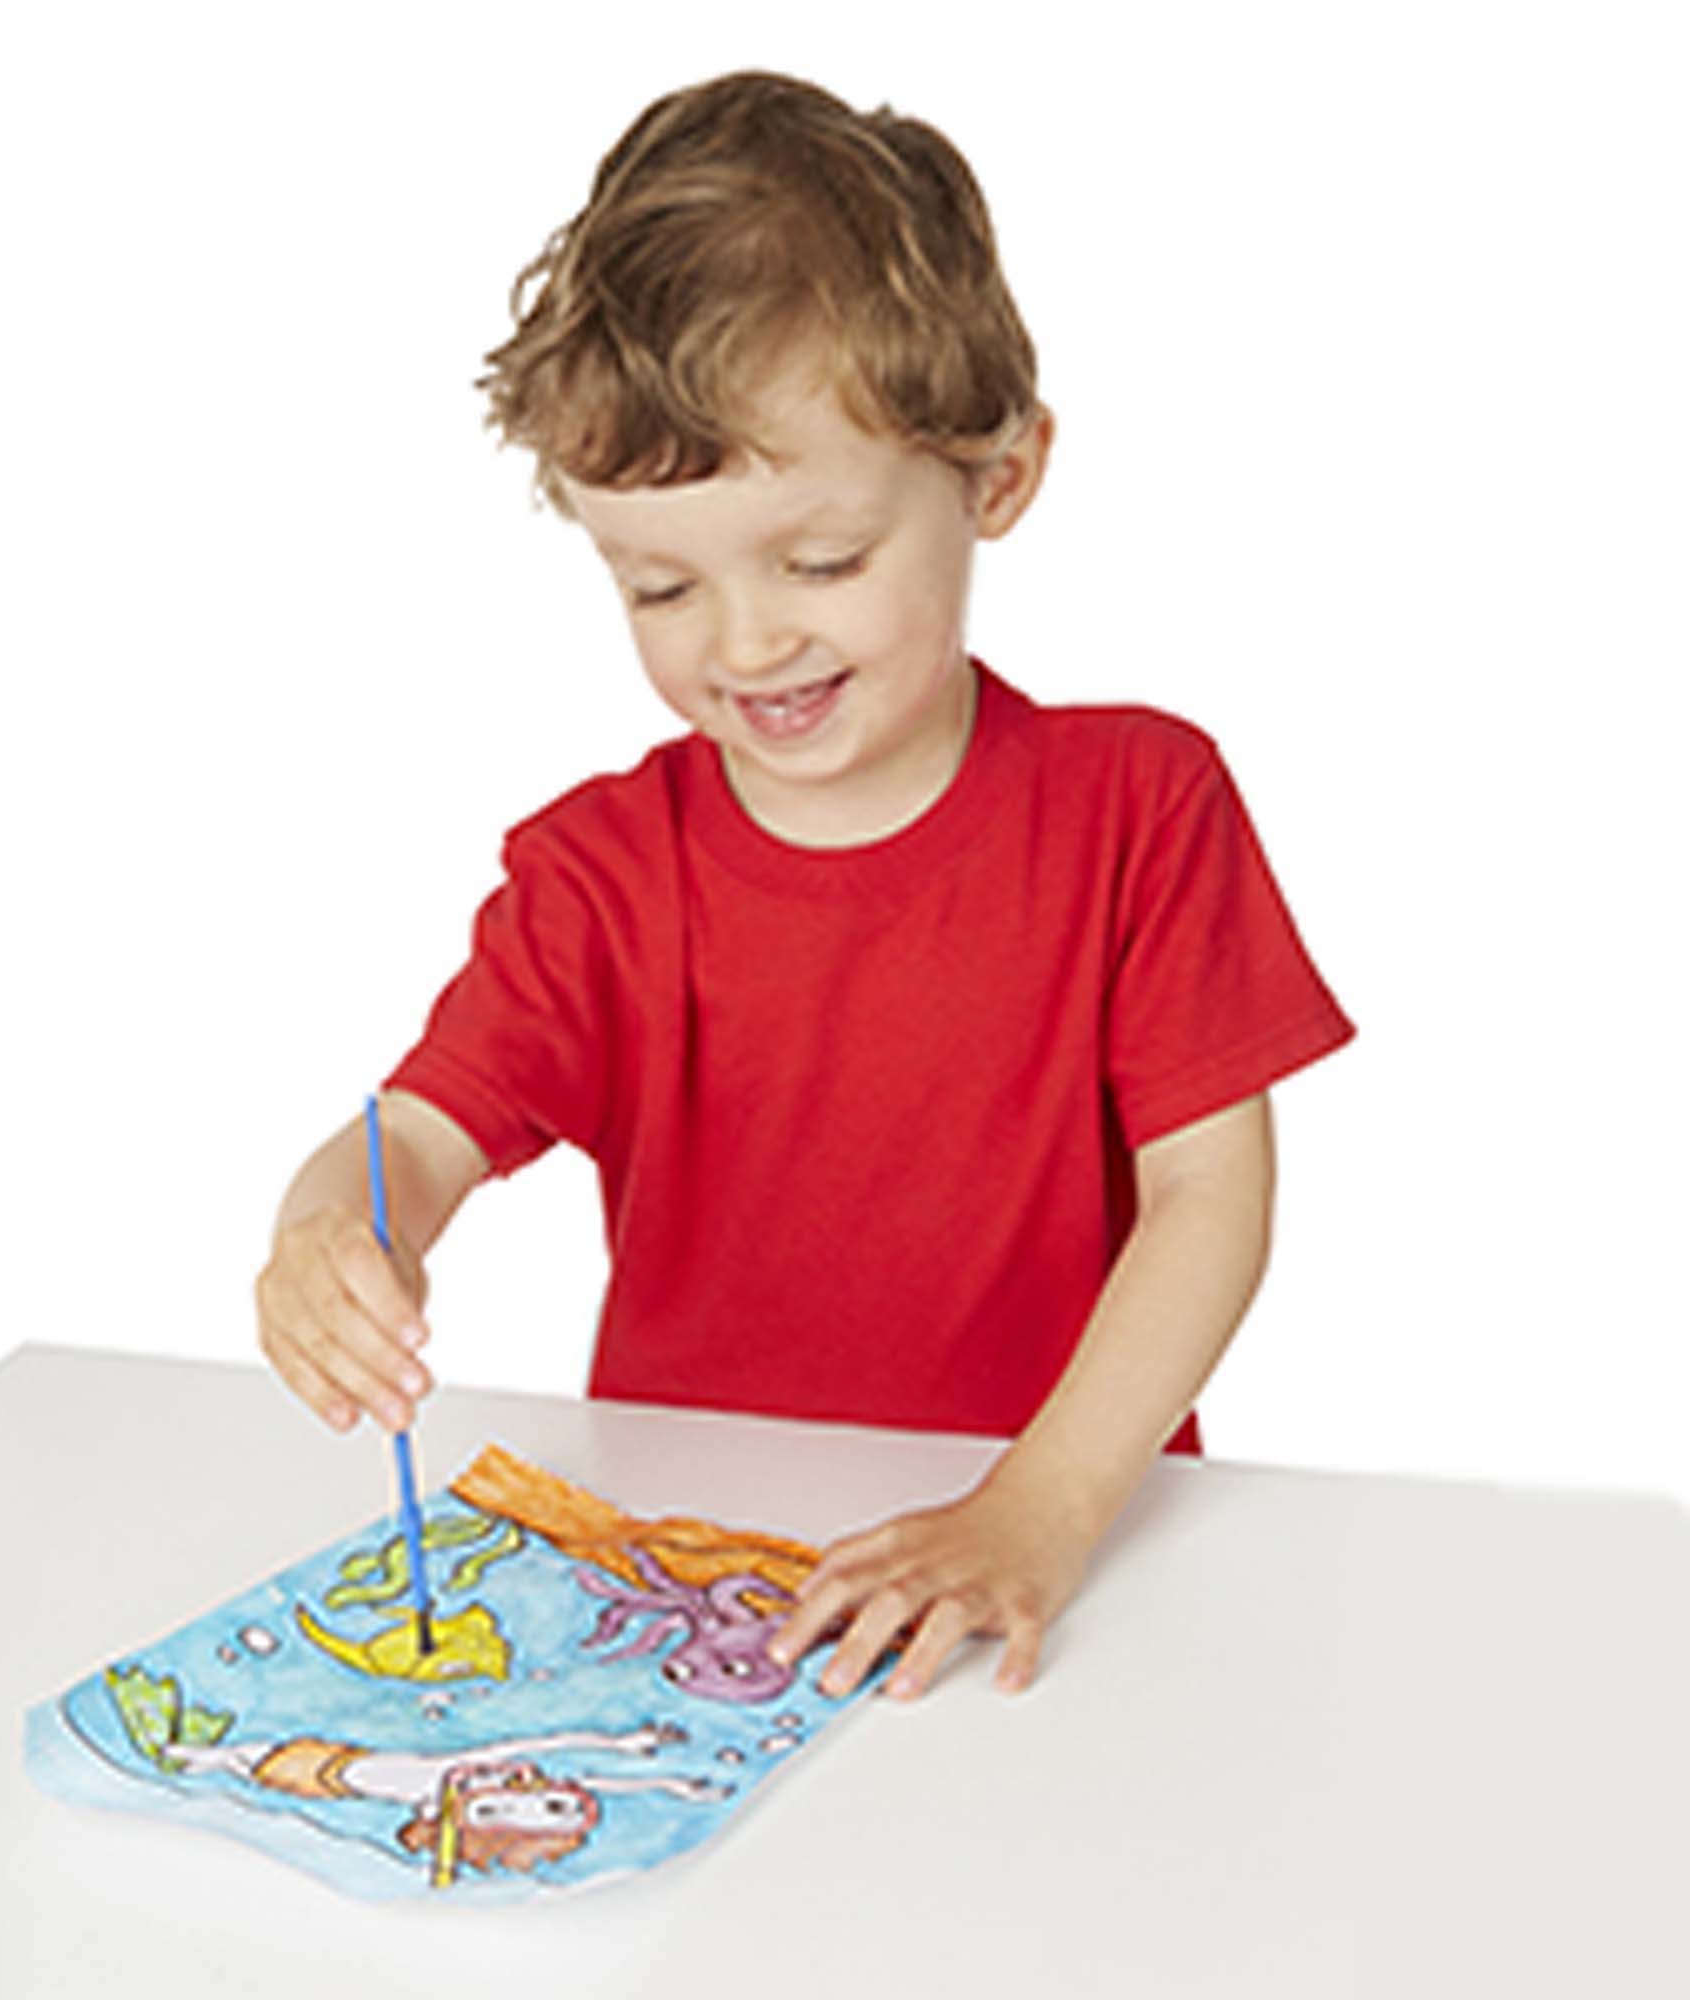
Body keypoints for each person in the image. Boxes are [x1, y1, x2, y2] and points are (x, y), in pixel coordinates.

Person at [255, 70, 1355, 1704]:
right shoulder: (598, 874)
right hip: (704, 1605)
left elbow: (1212, 1201)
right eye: (660, 585)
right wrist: (329, 1230)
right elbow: (414, 1136)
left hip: (1065, 1593)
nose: (749, 641)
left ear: (999, 476)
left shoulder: (1142, 807)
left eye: (822, 563)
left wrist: (1039, 1510)